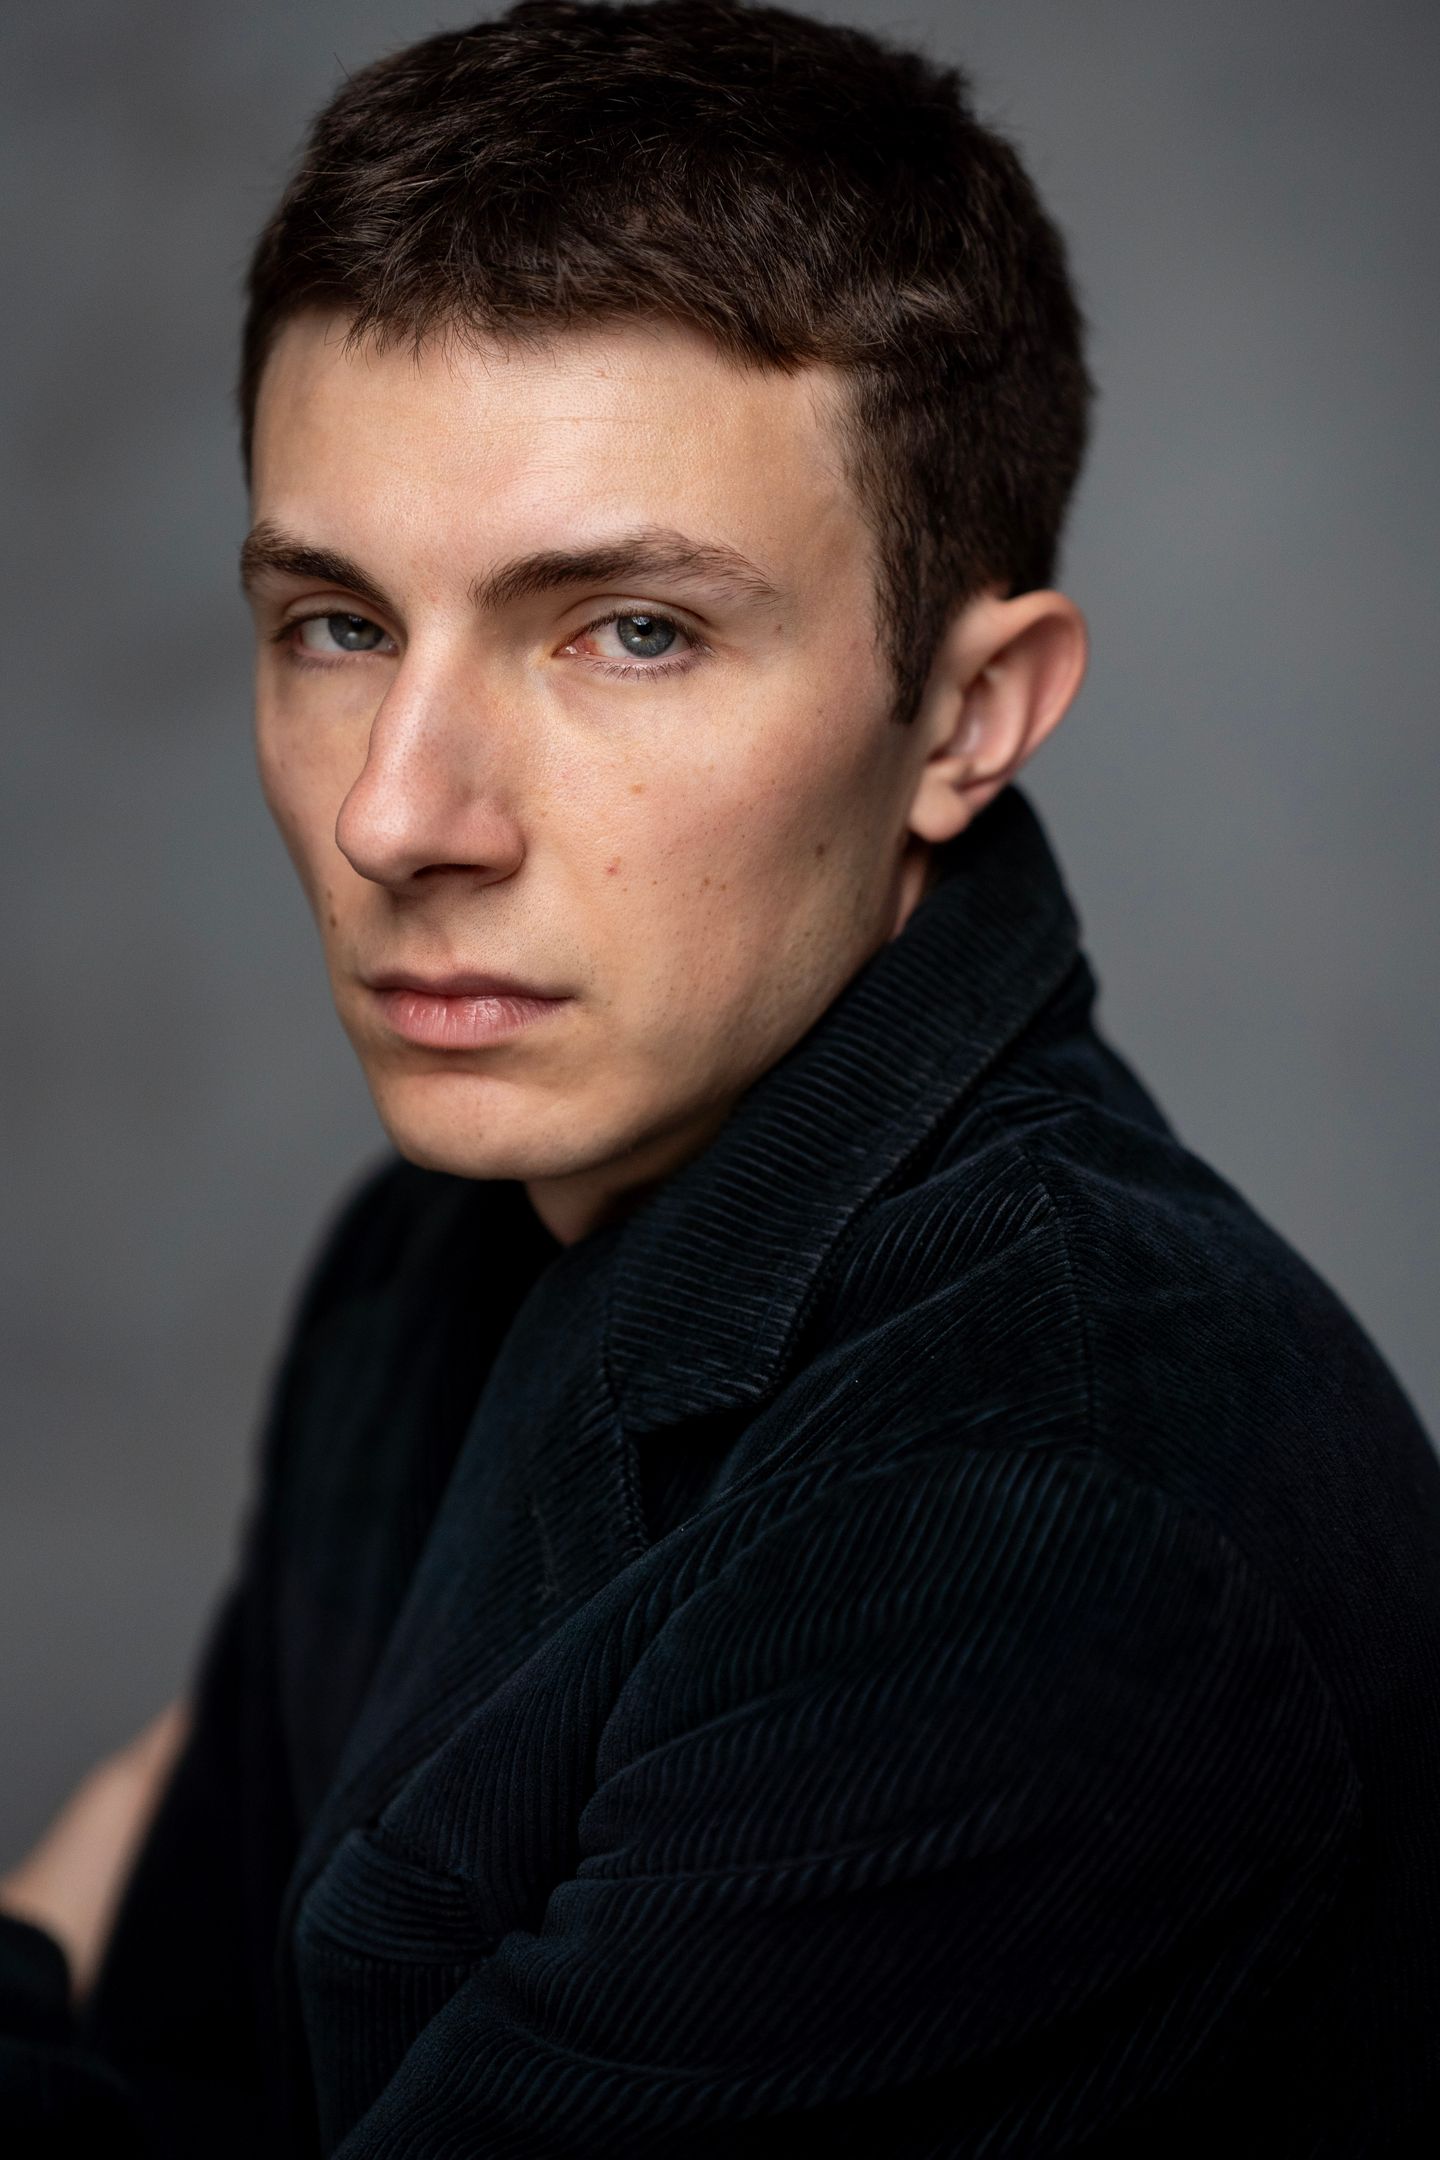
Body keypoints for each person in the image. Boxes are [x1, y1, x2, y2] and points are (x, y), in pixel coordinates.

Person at [2, 0, 1437, 2151]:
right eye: (339, 625)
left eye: (632, 631)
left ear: (968, 716)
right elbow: (202, 2061)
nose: (399, 816)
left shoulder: (1045, 1518)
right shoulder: (435, 1248)